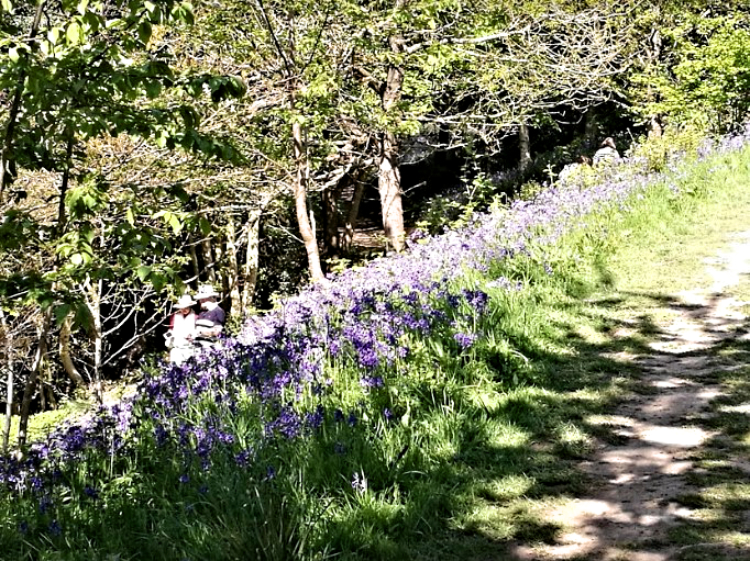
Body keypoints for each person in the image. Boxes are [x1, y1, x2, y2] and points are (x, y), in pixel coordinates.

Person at [166, 294, 197, 365]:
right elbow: (170, 330)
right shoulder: (174, 317)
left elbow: (198, 332)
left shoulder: (195, 317)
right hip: (176, 348)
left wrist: (192, 336)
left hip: (190, 349)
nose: (184, 310)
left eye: (186, 307)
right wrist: (170, 337)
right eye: (182, 308)